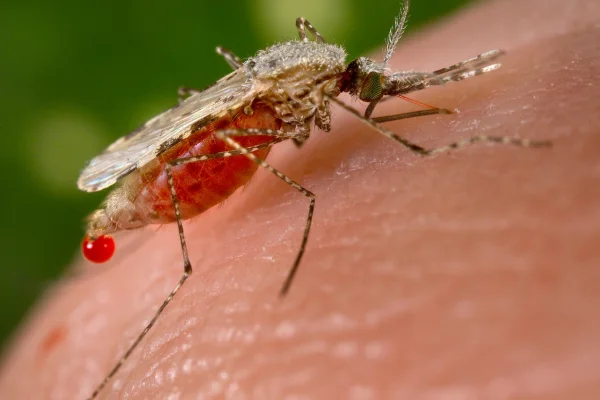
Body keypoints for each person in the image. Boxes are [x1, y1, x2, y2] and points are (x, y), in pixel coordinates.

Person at [1, 0, 599, 397]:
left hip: (236, 122)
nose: (371, 92)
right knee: (234, 155)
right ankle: (173, 289)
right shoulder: (317, 78)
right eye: (368, 87)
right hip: (206, 146)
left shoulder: (326, 71)